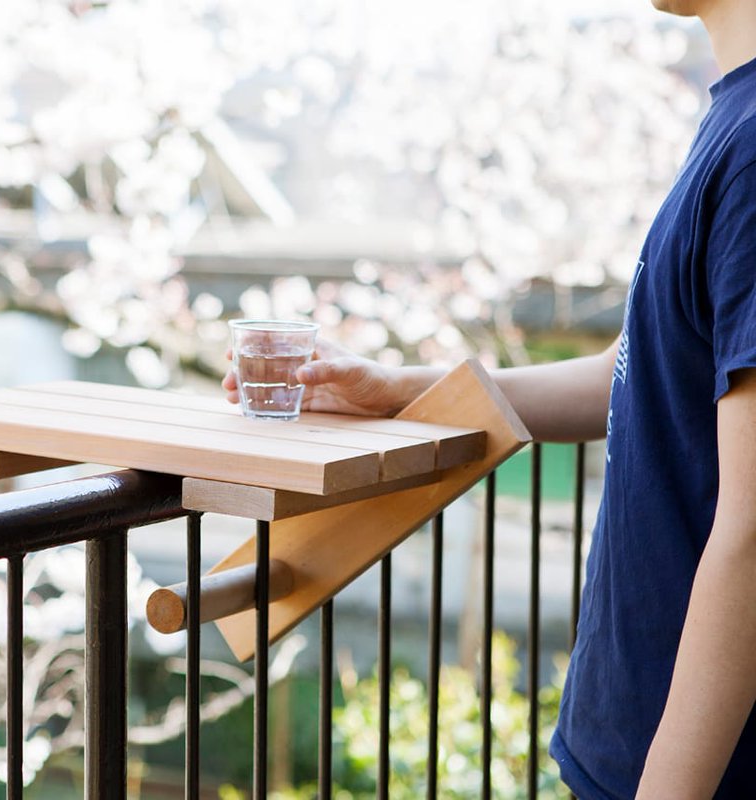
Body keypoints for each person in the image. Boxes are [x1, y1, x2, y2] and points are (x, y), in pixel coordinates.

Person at [225, 1, 756, 796]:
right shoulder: (733, 116)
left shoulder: (752, 149)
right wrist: (403, 391)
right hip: (638, 740)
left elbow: (753, 530)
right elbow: (639, 368)